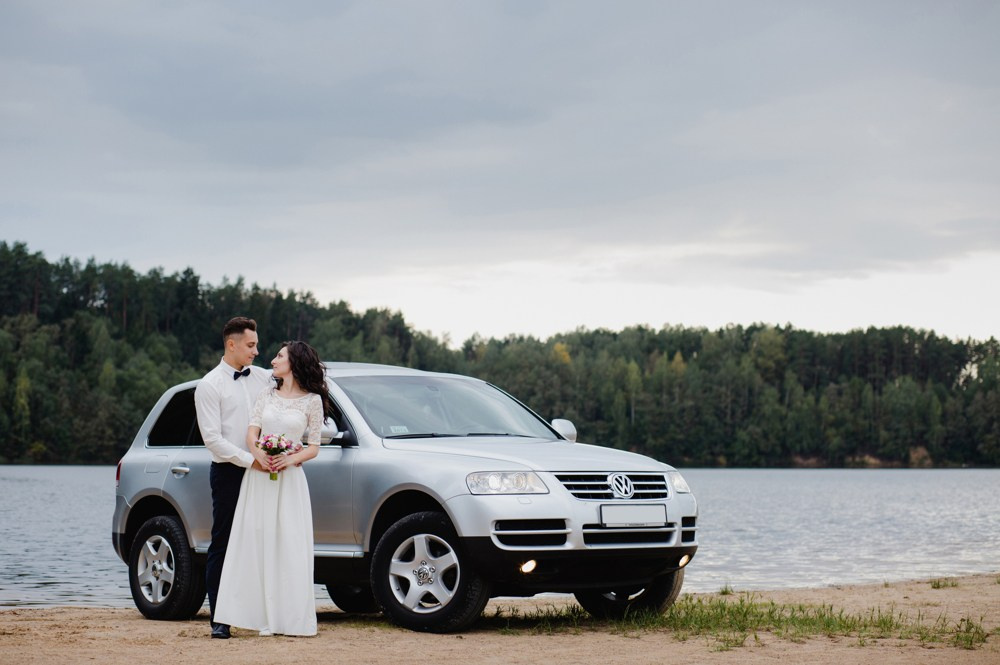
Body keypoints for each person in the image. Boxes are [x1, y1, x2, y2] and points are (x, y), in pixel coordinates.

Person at [213, 340, 334, 637]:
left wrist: (289, 458)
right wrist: (259, 456)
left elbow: (314, 446)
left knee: (289, 544)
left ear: (294, 362)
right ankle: (255, 615)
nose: (273, 359)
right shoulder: (266, 394)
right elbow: (252, 431)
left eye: (280, 356)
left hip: (290, 480)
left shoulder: (312, 401)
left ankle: (288, 618)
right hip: (260, 477)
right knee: (256, 540)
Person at [194, 317, 272, 640]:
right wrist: (248, 460)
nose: (256, 351)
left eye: (256, 345)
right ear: (232, 344)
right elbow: (212, 439)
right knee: (223, 543)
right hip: (228, 472)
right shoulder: (209, 385)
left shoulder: (264, 379)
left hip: (264, 469)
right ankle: (220, 619)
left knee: (262, 539)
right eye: (251, 345)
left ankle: (262, 613)